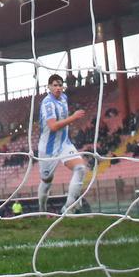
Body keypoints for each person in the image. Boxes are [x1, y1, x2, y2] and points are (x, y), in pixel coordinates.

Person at [36, 74, 88, 215]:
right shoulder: (47, 103)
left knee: (80, 168)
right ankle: (42, 209)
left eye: (60, 85)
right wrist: (73, 118)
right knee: (47, 182)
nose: (58, 88)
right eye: (55, 85)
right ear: (49, 87)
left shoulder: (64, 98)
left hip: (64, 144)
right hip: (48, 148)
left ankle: (68, 208)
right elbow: (52, 126)